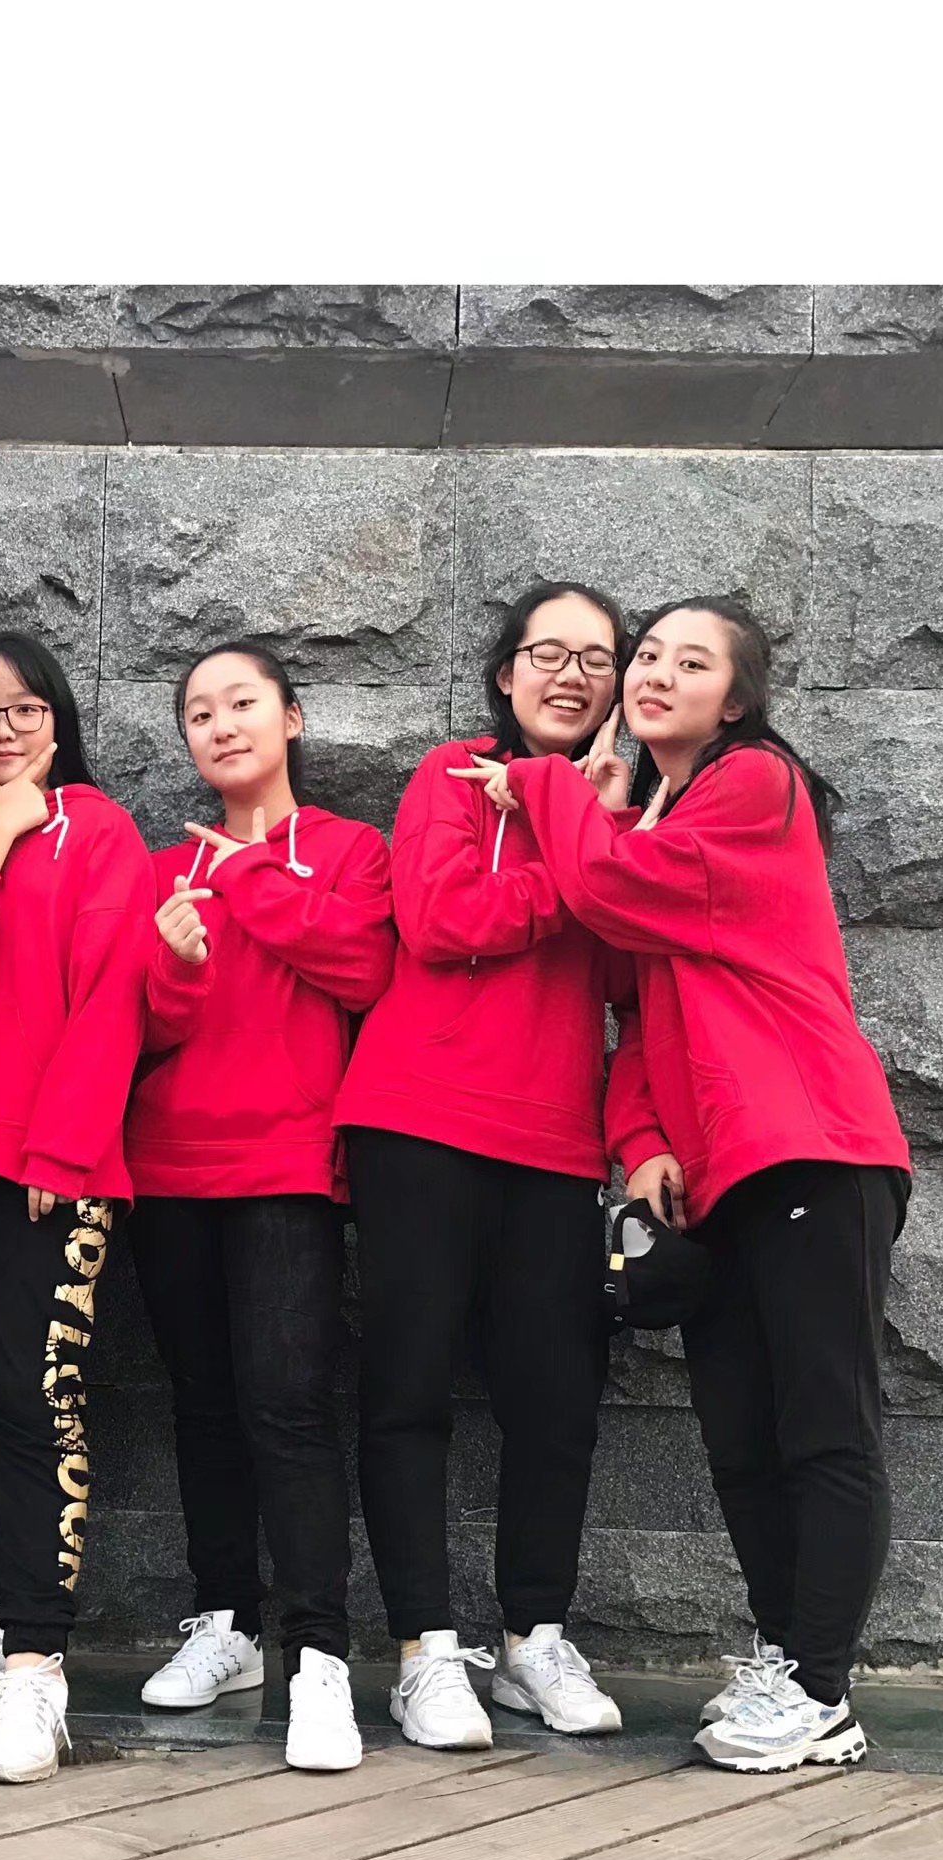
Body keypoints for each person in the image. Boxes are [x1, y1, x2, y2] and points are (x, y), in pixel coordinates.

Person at [454, 596, 911, 1773]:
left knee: (823, 1427)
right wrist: (644, 1136)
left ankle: (823, 1691)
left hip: (812, 1146)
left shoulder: (754, 783)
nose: (654, 673)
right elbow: (639, 1010)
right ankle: (788, 1660)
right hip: (718, 1175)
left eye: (690, 663)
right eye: (647, 655)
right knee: (742, 1440)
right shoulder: (661, 816)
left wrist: (548, 787)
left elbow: (606, 889)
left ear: (737, 700)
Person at [330, 583, 635, 1750]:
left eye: (596, 658)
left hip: (556, 1137)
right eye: (546, 653)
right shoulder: (453, 776)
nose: (571, 675)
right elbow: (443, 918)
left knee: (556, 1403)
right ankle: (424, 1651)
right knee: (407, 1392)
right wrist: (576, 858)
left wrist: (596, 830)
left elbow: (636, 969)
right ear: (505, 675)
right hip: (419, 1119)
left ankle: (533, 1640)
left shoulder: (629, 808)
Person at [124, 641, 396, 1773]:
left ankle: (317, 1652)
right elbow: (142, 1028)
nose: (221, 725)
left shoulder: (351, 850)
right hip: (168, 1166)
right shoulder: (159, 870)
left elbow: (365, 970)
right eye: (199, 713)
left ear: (292, 718)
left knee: (288, 1404)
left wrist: (247, 880)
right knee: (201, 1403)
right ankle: (225, 1622)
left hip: (288, 1164)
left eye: (242, 703)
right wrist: (176, 965)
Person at [0, 631, 154, 1784]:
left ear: (60, 719)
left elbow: (115, 995)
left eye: (25, 709)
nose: (1, 730)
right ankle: (8, 1610)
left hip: (57, 1162)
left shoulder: (99, 829)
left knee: (31, 1396)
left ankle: (37, 1670)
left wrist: (65, 1138)